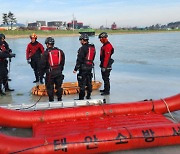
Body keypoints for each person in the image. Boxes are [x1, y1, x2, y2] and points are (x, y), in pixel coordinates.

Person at [41, 37, 65, 102]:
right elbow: (63, 62)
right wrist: (60, 69)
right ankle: (59, 99)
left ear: (47, 44)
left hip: (50, 74)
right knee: (59, 87)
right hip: (59, 72)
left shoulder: (46, 53)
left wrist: (42, 74)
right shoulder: (60, 51)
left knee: (50, 88)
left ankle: (51, 101)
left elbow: (42, 65)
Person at [73, 34, 96, 100]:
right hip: (90, 67)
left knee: (82, 83)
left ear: (83, 40)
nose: (80, 42)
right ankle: (88, 96)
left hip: (83, 68)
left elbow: (79, 59)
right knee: (89, 82)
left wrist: (75, 69)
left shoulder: (82, 48)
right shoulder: (92, 47)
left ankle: (81, 98)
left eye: (81, 40)